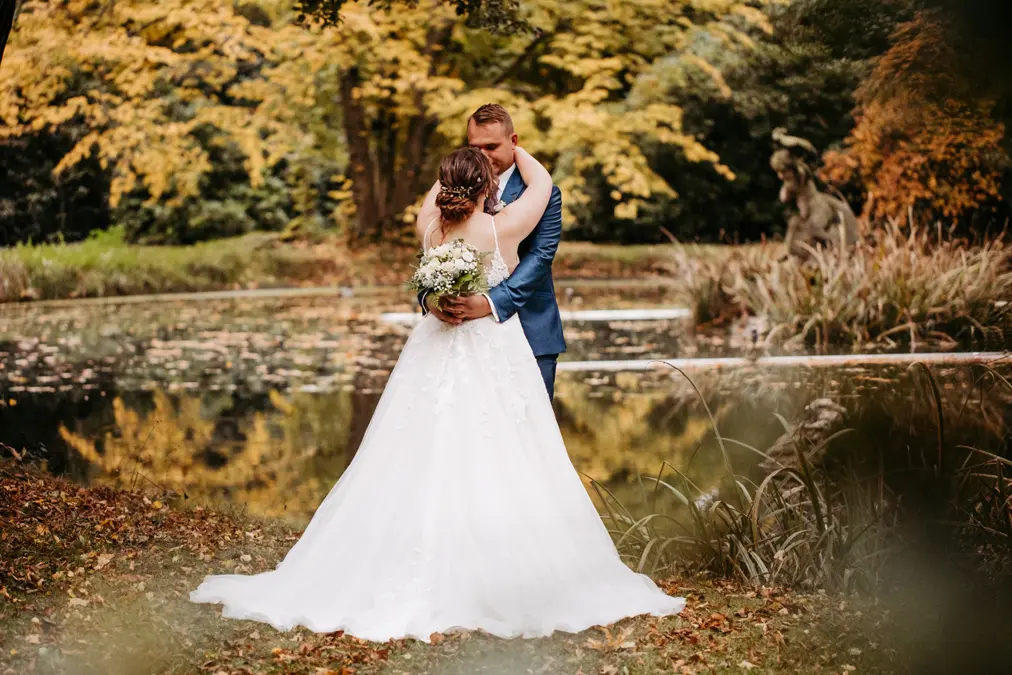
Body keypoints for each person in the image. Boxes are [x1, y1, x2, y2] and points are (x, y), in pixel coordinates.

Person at [189, 142, 684, 643]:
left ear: (445, 185)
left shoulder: (429, 226)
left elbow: (436, 202)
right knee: (508, 450)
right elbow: (544, 185)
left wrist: (454, 171)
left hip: (434, 345)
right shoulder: (501, 227)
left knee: (414, 444)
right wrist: (512, 149)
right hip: (494, 348)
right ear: (487, 186)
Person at [419, 104, 566, 400]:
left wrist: (489, 303)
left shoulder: (540, 194)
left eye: (492, 146)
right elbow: (432, 257)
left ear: (513, 141)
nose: (484, 155)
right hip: (454, 336)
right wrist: (431, 298)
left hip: (530, 332)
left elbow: (540, 258)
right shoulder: (449, 195)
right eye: (475, 147)